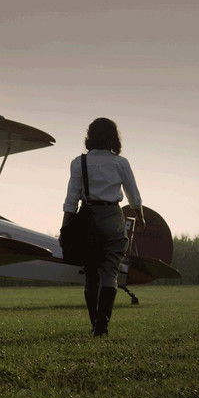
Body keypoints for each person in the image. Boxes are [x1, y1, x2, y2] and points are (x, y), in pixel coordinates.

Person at [61, 118, 145, 337]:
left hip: (88, 219)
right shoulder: (121, 163)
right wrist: (141, 218)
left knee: (91, 274)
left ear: (90, 136)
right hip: (113, 219)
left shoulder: (78, 163)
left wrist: (65, 227)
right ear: (113, 137)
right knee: (110, 272)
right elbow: (133, 197)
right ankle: (102, 327)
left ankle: (94, 323)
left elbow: (71, 200)